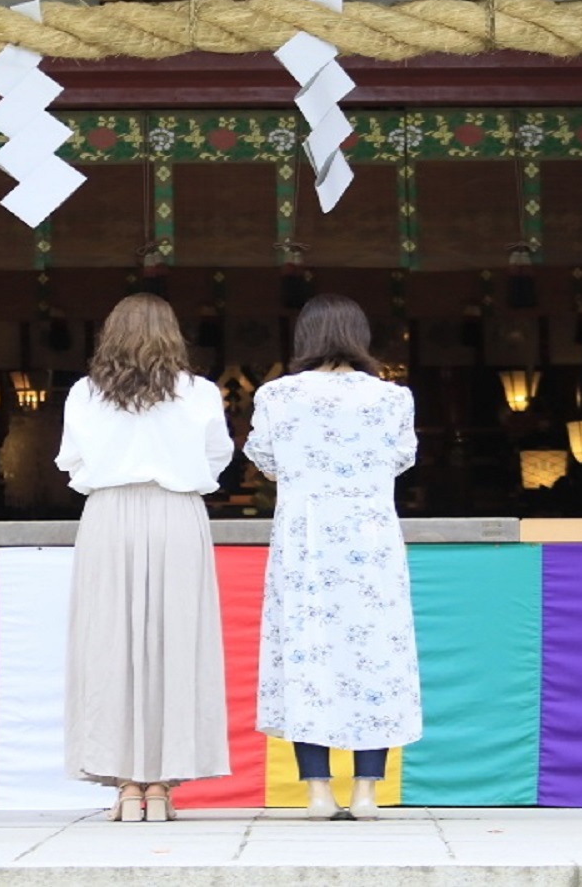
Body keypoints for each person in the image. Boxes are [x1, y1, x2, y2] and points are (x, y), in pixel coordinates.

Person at [55, 292, 235, 823]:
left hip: (109, 516)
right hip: (178, 514)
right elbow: (217, 458)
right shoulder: (199, 392)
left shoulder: (86, 393)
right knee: (176, 645)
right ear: (172, 336)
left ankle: (126, 786)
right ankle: (161, 785)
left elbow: (71, 461)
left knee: (109, 646)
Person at [244, 293, 421, 821]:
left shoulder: (278, 396)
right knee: (376, 659)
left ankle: (317, 791)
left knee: (307, 658)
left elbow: (266, 462)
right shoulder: (394, 399)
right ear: (360, 336)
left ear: (305, 339)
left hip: (306, 542)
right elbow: (400, 460)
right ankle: (367, 791)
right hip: (371, 543)